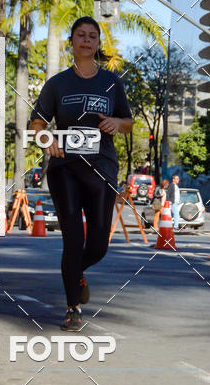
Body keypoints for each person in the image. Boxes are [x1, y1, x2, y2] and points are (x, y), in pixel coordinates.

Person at [29, 16, 133, 331]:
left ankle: (74, 273)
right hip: (65, 168)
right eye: (80, 35)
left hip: (102, 167)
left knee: (98, 243)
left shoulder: (112, 82)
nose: (86, 40)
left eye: (92, 36)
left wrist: (117, 124)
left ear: (97, 44)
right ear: (72, 42)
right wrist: (47, 140)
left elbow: (127, 122)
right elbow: (37, 125)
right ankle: (73, 307)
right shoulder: (57, 84)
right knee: (73, 238)